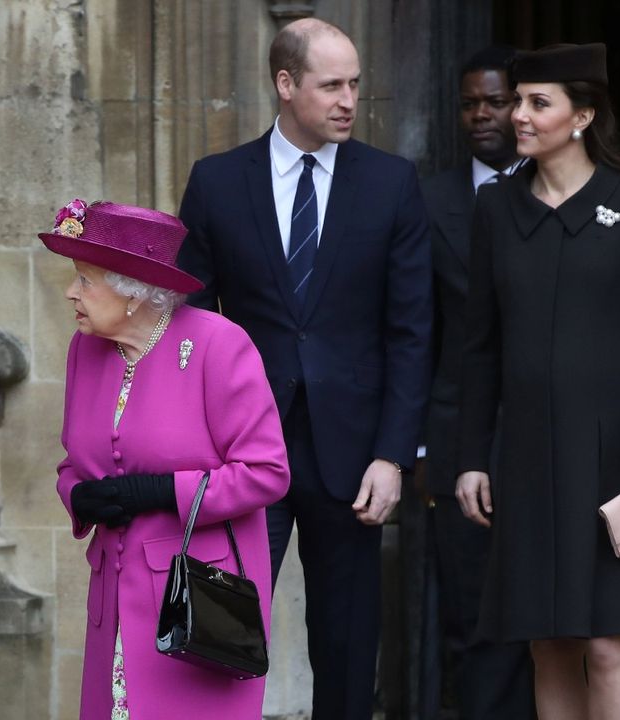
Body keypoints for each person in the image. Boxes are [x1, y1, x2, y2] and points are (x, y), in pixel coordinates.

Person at [175, 18, 432, 718]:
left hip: (353, 457)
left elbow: (412, 333)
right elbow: (188, 326)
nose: (349, 99)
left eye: (355, 83)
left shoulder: (391, 184)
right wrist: (199, 442)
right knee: (221, 630)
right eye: (332, 85)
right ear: (286, 86)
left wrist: (393, 456)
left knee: (348, 646)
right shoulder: (218, 182)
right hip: (243, 452)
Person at [454, 43, 620, 719]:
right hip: (523, 458)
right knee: (546, 642)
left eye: (536, 102)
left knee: (609, 643)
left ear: (582, 115)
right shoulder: (495, 209)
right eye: (518, 101)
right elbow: (479, 347)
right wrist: (471, 458)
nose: (516, 114)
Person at [45, 199, 290, 719]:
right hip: (112, 598)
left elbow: (267, 473)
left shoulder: (216, 345)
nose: (72, 292)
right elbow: (73, 465)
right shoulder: (85, 350)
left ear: (133, 293)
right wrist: (80, 497)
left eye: (86, 280)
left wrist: (163, 492)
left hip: (195, 608)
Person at [420, 46, 533, 719]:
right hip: (460, 435)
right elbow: (415, 331)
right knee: (472, 616)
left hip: (549, 433)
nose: (482, 115)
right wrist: (421, 447)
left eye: (495, 101)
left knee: (556, 615)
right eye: (470, 103)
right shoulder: (428, 198)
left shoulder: (562, 188)